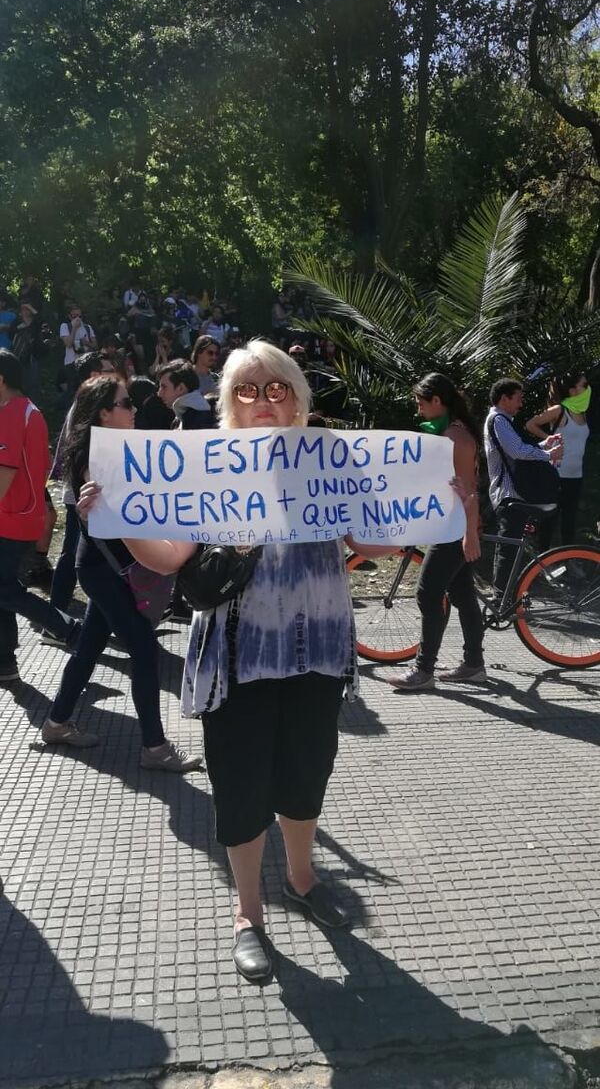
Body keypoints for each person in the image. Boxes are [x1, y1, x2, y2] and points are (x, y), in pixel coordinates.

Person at [78, 339, 404, 980]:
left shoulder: (327, 459)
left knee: (306, 776)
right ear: (229, 401)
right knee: (241, 787)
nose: (263, 401)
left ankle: (303, 880)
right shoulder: (207, 464)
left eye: (277, 388)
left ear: (297, 398)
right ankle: (248, 914)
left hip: (316, 653)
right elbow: (169, 557)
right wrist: (114, 517)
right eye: (248, 390)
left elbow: (367, 540)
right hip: (239, 659)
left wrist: (435, 510)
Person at [42, 374, 201, 771]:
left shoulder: (118, 449)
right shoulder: (94, 458)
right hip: (104, 570)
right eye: (126, 403)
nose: (134, 409)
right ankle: (155, 748)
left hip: (107, 568)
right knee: (143, 651)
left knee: (89, 647)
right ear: (104, 413)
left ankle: (56, 723)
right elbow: (104, 515)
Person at [390, 373, 486, 690]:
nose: (418, 410)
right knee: (463, 596)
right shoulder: (449, 432)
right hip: (451, 525)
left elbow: (469, 492)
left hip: (454, 529)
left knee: (428, 593)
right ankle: (474, 665)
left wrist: (469, 535)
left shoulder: (455, 437)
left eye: (420, 403)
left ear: (436, 400)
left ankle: (423, 670)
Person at [0, 351, 80, 685]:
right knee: (4, 590)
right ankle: (6, 663)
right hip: (24, 516)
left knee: (5, 591)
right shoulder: (29, 411)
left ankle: (68, 629)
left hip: (11, 519)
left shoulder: (11, 413)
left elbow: (5, 472)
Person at [43, 353, 116, 624]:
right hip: (80, 493)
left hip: (87, 493)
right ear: (93, 375)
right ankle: (55, 619)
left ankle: (92, 620)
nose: (114, 375)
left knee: (90, 557)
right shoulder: (86, 405)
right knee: (73, 554)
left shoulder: (90, 402)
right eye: (108, 370)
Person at [484, 378, 562, 601]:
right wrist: (548, 455)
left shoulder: (502, 421)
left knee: (508, 549)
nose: (521, 404)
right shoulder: (499, 420)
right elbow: (517, 451)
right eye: (518, 398)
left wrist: (545, 445)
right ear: (504, 398)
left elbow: (518, 449)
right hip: (509, 494)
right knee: (507, 549)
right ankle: (503, 598)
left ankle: (503, 599)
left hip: (513, 495)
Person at [525, 371, 590, 545]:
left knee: (570, 519)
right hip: (556, 474)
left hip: (575, 476)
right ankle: (543, 557)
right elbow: (530, 424)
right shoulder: (560, 410)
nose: (588, 388)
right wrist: (549, 439)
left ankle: (567, 557)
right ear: (572, 390)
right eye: (584, 385)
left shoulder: (582, 412)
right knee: (550, 519)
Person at [156, 359, 213, 429]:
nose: (159, 394)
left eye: (164, 387)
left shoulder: (201, 421)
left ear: (181, 388)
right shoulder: (180, 419)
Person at [60, 304, 97, 400]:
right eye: (74, 316)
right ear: (69, 316)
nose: (78, 319)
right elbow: (68, 343)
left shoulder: (88, 327)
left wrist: (86, 343)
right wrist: (74, 328)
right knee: (73, 391)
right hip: (71, 362)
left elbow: (95, 346)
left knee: (87, 390)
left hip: (86, 362)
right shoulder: (65, 326)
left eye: (79, 316)